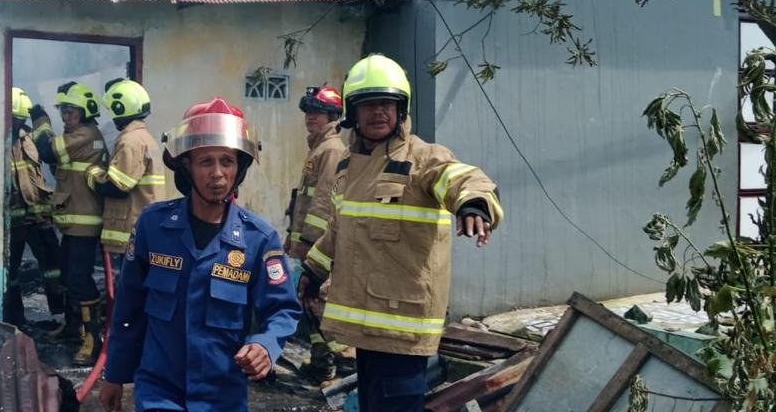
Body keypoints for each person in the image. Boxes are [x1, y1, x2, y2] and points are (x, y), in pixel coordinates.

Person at [300, 54, 504, 412]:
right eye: (369, 104)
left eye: (387, 103)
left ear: (401, 109)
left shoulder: (422, 157)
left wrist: (473, 203)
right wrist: (314, 269)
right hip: (364, 324)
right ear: (352, 112)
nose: (379, 111)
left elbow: (460, 177)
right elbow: (340, 226)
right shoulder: (348, 165)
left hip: (402, 326)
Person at [100, 98, 301, 412]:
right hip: (159, 392)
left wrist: (265, 344)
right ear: (187, 166)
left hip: (222, 397)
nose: (217, 173)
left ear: (239, 168)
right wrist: (114, 374)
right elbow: (128, 308)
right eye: (206, 161)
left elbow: (282, 310)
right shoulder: (153, 226)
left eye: (227, 161)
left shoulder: (259, 239)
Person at [30, 81, 109, 365]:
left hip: (84, 225)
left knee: (80, 280)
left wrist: (41, 122)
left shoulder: (85, 135)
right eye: (62, 111)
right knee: (68, 277)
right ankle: (73, 327)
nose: (65, 116)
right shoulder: (77, 134)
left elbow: (48, 151)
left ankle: (92, 339)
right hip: (74, 223)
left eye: (70, 111)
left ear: (85, 111)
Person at [284, 85, 351, 383]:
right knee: (307, 299)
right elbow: (302, 200)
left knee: (317, 300)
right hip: (305, 242)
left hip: (317, 245)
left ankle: (347, 359)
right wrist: (292, 235)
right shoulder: (318, 148)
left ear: (333, 116)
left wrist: (309, 242)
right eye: (308, 112)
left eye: (318, 112)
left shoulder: (331, 149)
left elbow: (324, 202)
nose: (310, 117)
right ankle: (322, 362)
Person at [85, 78, 167, 272]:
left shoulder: (130, 142)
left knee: (131, 284)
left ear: (120, 108)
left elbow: (117, 187)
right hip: (145, 226)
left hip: (134, 228)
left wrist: (91, 173)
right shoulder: (144, 138)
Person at [4, 87, 66, 327]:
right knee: (10, 273)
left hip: (39, 218)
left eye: (21, 120)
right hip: (13, 222)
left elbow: (51, 157)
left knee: (54, 267)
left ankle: (61, 316)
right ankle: (14, 319)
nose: (18, 124)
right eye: (15, 119)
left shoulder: (29, 138)